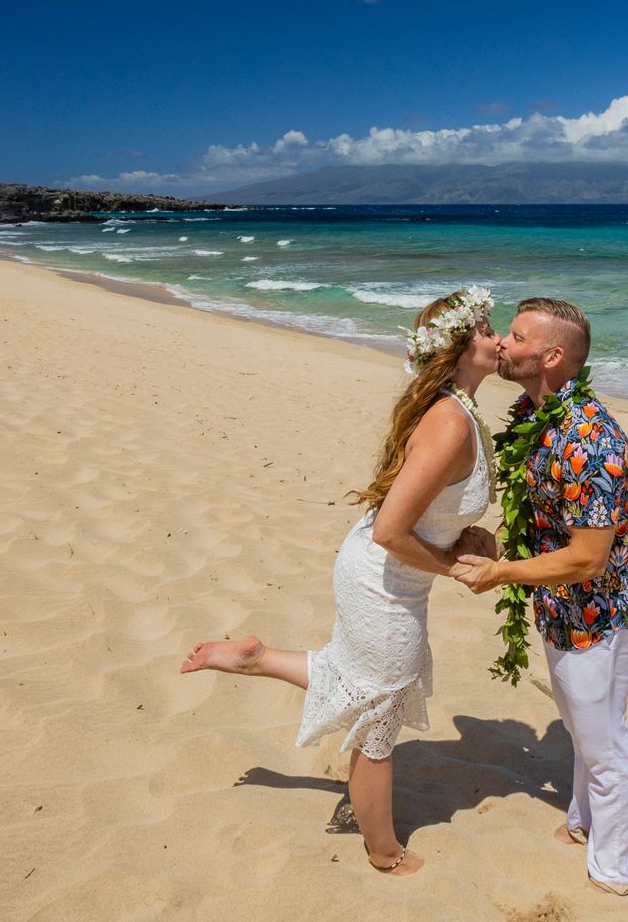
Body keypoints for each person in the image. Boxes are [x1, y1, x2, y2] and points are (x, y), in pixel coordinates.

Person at [179, 287, 499, 876]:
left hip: (391, 574)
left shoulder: (462, 409)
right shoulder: (450, 422)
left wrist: (465, 541)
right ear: (456, 349)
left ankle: (255, 659)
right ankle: (384, 852)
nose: (498, 339)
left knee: (364, 680)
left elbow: (425, 511)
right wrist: (454, 567)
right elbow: (391, 532)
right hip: (382, 578)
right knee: (380, 712)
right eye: (485, 330)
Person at [454, 297, 628, 896]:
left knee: (602, 740)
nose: (504, 346)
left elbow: (589, 556)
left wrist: (502, 573)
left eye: (516, 338)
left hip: (601, 607)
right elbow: (548, 519)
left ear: (552, 356)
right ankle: (580, 821)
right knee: (582, 722)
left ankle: (613, 869)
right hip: (563, 603)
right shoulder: (534, 412)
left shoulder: (592, 441)